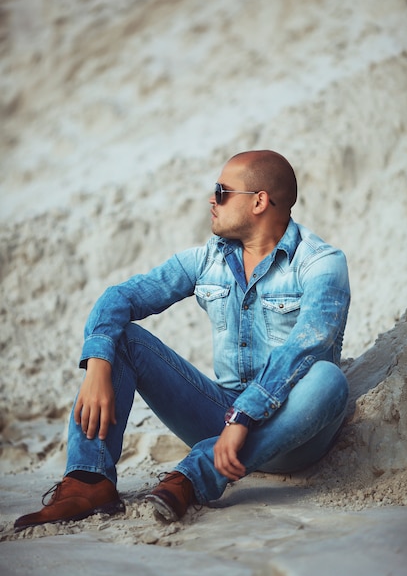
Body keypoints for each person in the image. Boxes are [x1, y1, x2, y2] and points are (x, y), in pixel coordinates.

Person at [15, 149, 350, 529]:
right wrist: (98, 365)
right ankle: (88, 482)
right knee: (122, 340)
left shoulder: (321, 262)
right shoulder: (209, 259)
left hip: (292, 433)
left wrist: (245, 416)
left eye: (222, 192)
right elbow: (121, 297)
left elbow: (307, 346)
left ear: (259, 201)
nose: (212, 200)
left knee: (328, 380)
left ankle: (194, 477)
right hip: (219, 418)